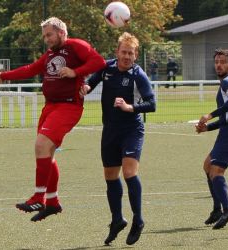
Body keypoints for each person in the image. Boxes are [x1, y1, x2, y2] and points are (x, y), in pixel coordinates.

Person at [0, 17, 106, 222]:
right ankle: (52, 202)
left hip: (68, 106)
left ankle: (38, 197)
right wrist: (4, 75)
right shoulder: (51, 53)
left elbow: (99, 62)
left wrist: (75, 72)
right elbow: (31, 69)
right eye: (44, 36)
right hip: (50, 106)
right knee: (47, 152)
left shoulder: (76, 45)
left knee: (41, 144)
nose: (46, 39)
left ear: (61, 32)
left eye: (49, 34)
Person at [80, 32, 156, 245]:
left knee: (130, 173)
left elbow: (152, 104)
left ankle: (138, 220)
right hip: (110, 131)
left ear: (135, 55)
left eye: (130, 53)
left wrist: (130, 107)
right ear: (117, 52)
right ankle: (117, 219)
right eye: (123, 52)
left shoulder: (138, 75)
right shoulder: (107, 67)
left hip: (132, 130)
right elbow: (91, 83)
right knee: (110, 176)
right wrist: (84, 88)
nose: (126, 56)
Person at [195, 48, 228, 230]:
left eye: (223, 62)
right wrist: (207, 128)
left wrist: (209, 115)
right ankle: (217, 209)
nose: (219, 65)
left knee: (216, 172)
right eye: (217, 61)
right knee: (208, 166)